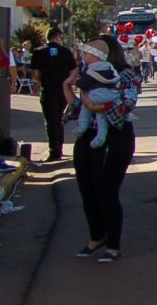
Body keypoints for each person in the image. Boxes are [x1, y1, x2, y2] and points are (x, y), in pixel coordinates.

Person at [70, 33, 141, 263]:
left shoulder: (125, 74)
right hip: (88, 135)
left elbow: (127, 104)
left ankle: (113, 245)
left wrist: (96, 106)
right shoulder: (88, 73)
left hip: (116, 135)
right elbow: (78, 108)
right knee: (87, 188)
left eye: (92, 52)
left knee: (107, 190)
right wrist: (68, 86)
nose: (87, 56)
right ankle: (96, 236)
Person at [32, 30, 77, 162]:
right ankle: (59, 148)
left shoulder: (39, 52)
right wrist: (68, 82)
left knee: (51, 120)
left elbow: (35, 73)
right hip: (63, 90)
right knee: (59, 118)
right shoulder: (66, 52)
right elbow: (74, 70)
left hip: (48, 89)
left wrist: (41, 82)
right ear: (57, 38)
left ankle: (54, 150)